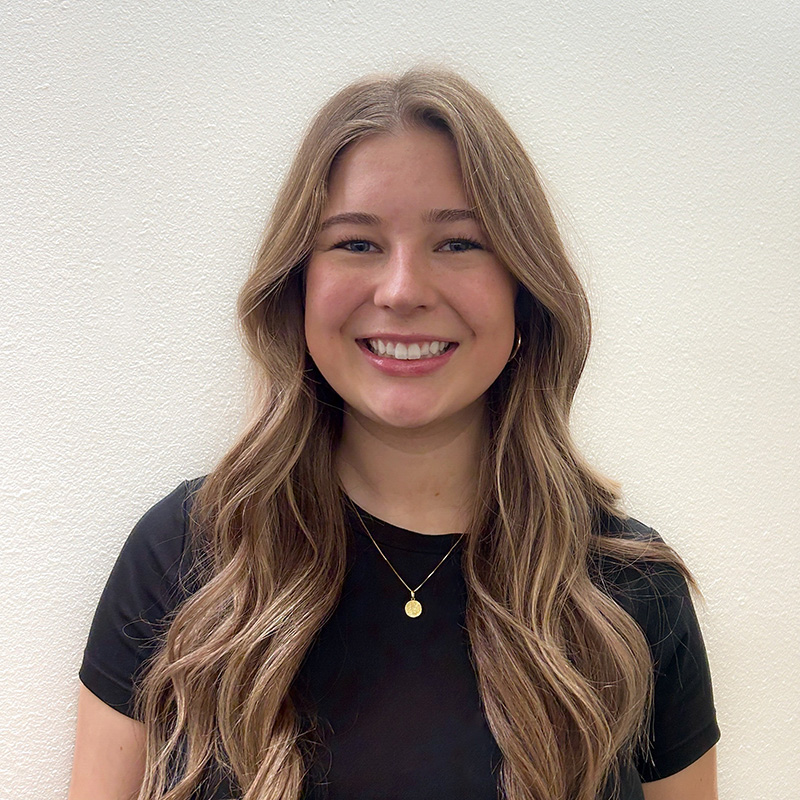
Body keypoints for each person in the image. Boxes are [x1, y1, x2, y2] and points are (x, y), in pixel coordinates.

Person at [68, 68, 720, 800]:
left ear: (524, 291)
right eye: (355, 244)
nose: (403, 290)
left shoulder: (629, 590)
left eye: (458, 244)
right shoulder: (186, 557)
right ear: (297, 287)